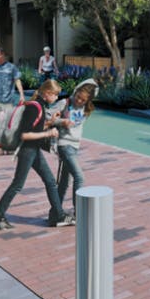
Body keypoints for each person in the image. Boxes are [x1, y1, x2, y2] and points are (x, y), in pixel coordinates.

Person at [0, 80, 75, 230]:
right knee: (17, 184)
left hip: (33, 149)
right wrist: (48, 133)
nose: (56, 98)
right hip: (27, 150)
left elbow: (36, 127)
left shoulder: (39, 106)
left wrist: (51, 122)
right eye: (55, 95)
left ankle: (58, 215)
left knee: (50, 181)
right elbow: (25, 134)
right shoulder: (35, 107)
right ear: (47, 93)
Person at [53, 79, 98, 215]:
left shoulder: (86, 109)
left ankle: (55, 212)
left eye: (83, 100)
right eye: (78, 96)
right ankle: (78, 212)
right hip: (64, 145)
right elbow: (50, 119)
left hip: (75, 146)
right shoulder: (64, 103)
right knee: (79, 177)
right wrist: (62, 122)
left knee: (65, 182)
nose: (78, 101)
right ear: (76, 91)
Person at [0, 47, 25, 152]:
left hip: (8, 101)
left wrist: (21, 95)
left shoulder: (11, 67)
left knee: (8, 125)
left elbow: (17, 80)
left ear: (3, 55)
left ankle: (8, 145)